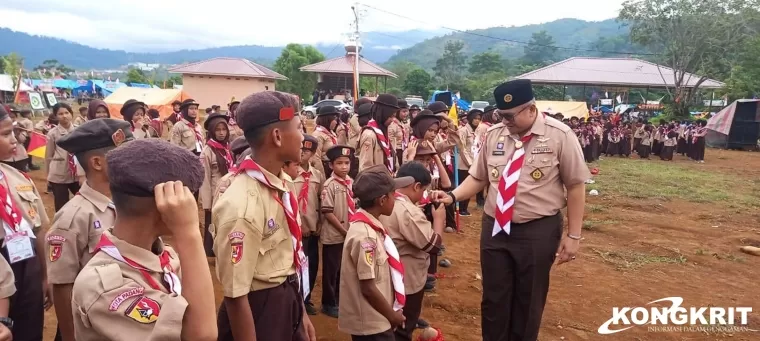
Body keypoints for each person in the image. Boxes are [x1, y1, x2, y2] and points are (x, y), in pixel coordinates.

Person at [431, 79, 589, 341]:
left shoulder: (559, 135)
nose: (504, 121)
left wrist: (573, 236)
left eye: (509, 115)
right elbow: (479, 177)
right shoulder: (494, 135)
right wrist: (451, 196)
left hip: (537, 229)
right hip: (494, 227)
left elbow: (575, 186)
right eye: (499, 115)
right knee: (494, 297)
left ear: (530, 108)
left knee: (528, 299)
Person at [70, 139, 216, 341]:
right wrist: (188, 231)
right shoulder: (104, 287)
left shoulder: (165, 257)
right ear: (163, 207)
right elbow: (201, 336)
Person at [212, 91, 316, 341]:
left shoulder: (283, 183)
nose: (303, 137)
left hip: (286, 296)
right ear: (278, 137)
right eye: (298, 128)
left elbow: (288, 260)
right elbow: (236, 297)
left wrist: (300, 313)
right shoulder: (241, 206)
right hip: (259, 310)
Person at [45, 119, 134, 341]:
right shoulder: (73, 217)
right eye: (125, 155)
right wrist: (70, 336)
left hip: (122, 317)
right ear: (97, 163)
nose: (135, 160)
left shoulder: (127, 202)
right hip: (87, 327)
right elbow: (62, 285)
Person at [338, 165, 412, 341]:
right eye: (394, 195)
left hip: (377, 317)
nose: (397, 198)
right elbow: (368, 288)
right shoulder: (366, 237)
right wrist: (392, 316)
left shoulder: (371, 226)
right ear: (382, 200)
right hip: (371, 324)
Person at [0, 104, 51, 341]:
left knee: (29, 331)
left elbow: (38, 229)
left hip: (27, 265)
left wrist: (44, 276)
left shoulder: (18, 177)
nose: (14, 140)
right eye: (5, 134)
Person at [379, 161, 444, 341]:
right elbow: (433, 245)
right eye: (422, 190)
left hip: (386, 276)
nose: (422, 195)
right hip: (408, 279)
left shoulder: (385, 200)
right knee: (404, 326)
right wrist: (439, 219)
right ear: (416, 186)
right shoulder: (408, 210)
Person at [320, 145, 356, 318]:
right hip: (334, 235)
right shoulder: (330, 185)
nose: (344, 167)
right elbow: (327, 212)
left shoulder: (350, 182)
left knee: (343, 269)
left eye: (347, 163)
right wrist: (343, 230)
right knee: (331, 270)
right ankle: (328, 303)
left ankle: (338, 299)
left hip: (347, 235)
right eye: (339, 163)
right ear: (331, 166)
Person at [294, 135, 324, 316]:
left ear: (313, 154)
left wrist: (319, 222)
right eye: (301, 150)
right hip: (298, 230)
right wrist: (300, 227)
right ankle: (297, 300)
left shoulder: (317, 175)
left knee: (312, 265)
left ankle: (307, 298)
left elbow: (320, 200)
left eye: (308, 151)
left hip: (313, 229)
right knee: (298, 266)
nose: (304, 154)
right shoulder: (289, 173)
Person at [200, 113, 233, 257]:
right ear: (212, 131)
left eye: (223, 129)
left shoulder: (228, 148)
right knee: (214, 224)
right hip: (215, 194)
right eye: (218, 130)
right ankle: (214, 251)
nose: (221, 133)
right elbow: (204, 177)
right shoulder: (207, 151)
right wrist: (207, 202)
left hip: (229, 191)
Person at [46, 103, 84, 212]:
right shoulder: (52, 134)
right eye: (60, 114)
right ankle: (61, 227)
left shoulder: (79, 131)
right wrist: (48, 176)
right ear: (56, 116)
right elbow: (49, 156)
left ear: (71, 114)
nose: (64, 116)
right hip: (58, 175)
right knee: (61, 205)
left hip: (78, 174)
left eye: (67, 113)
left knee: (83, 202)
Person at [358, 94, 398, 173]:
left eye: (394, 116)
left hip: (386, 178)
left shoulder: (383, 131)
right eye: (391, 116)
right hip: (376, 182)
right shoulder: (369, 134)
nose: (393, 120)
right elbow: (365, 167)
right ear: (383, 114)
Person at [457, 109, 482, 216]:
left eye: (479, 119)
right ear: (470, 119)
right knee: (463, 186)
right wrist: (470, 163)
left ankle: (464, 208)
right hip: (464, 164)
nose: (477, 121)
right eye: (475, 118)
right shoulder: (463, 130)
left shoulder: (475, 131)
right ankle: (460, 208)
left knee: (469, 187)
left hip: (473, 162)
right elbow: (462, 149)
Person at [312, 105, 340, 177]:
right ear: (328, 119)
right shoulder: (318, 135)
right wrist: (322, 176)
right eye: (335, 120)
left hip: (334, 168)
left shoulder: (331, 133)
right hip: (325, 169)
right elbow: (316, 158)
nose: (336, 123)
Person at [388, 100, 408, 168]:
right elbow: (391, 143)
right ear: (397, 111)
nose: (406, 114)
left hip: (403, 152)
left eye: (406, 111)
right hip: (396, 152)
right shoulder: (392, 124)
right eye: (403, 111)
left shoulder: (401, 123)